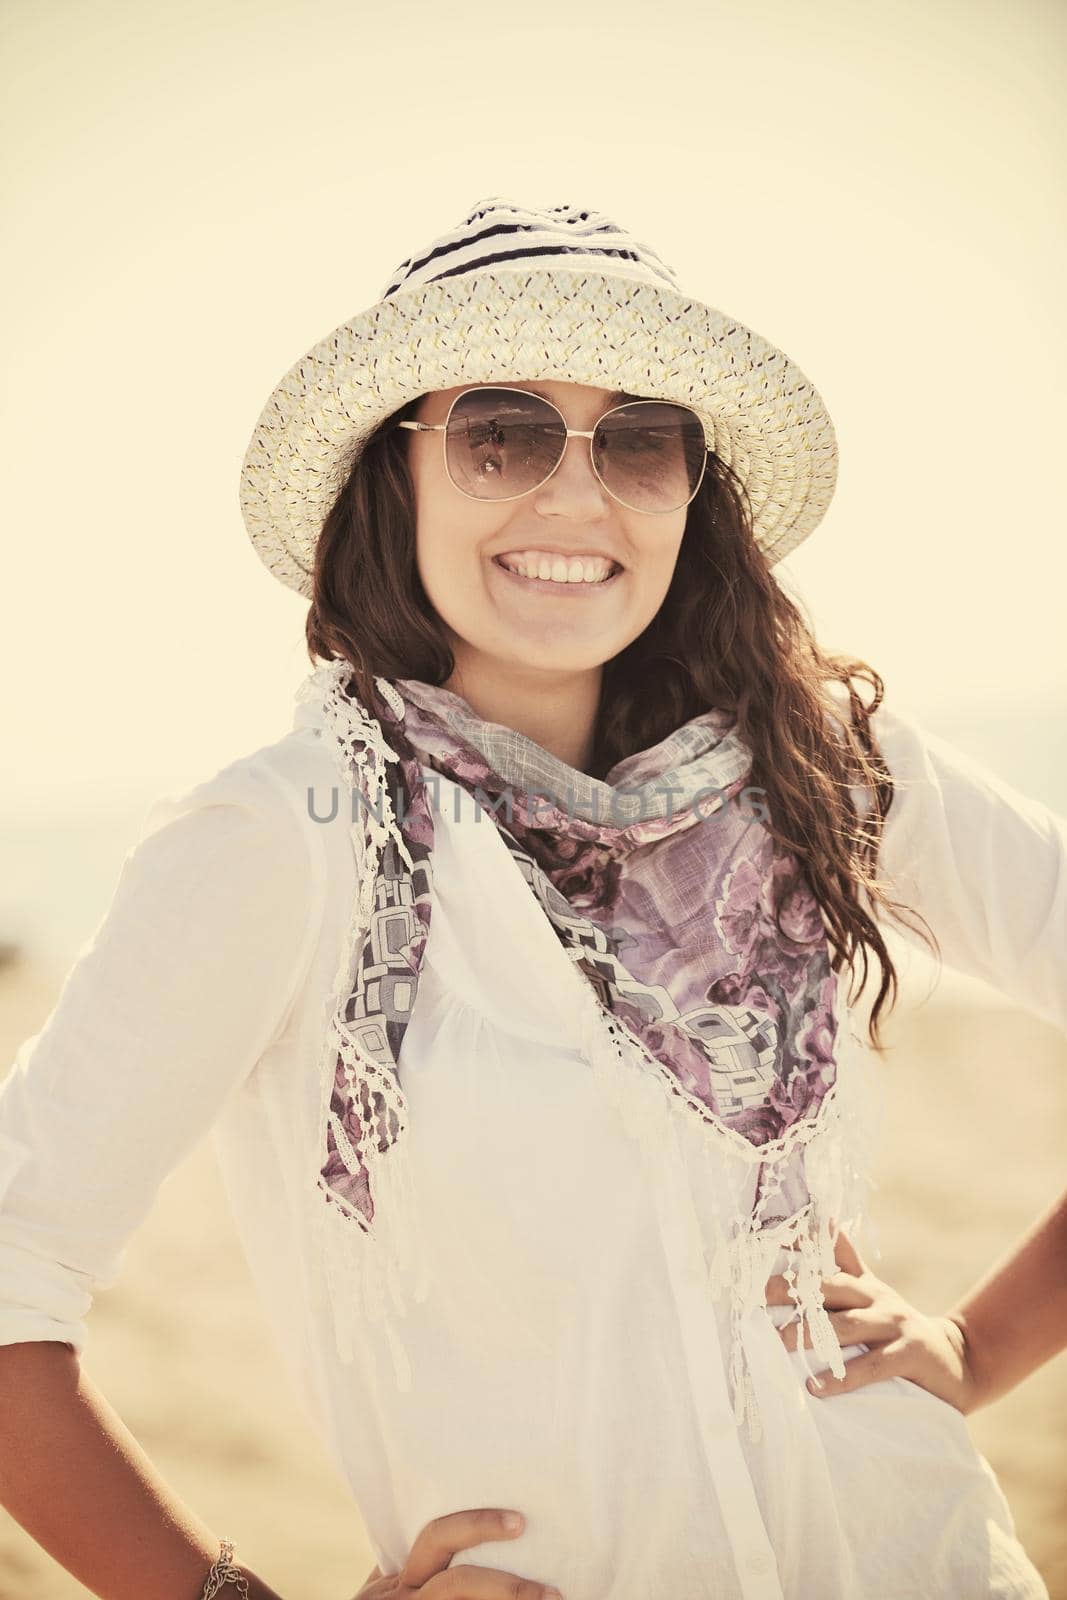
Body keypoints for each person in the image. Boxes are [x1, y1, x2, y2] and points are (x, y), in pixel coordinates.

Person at [0, 196, 1064, 1600]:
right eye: (501, 435)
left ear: (695, 487)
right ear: (400, 478)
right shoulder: (281, 839)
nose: (576, 496)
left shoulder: (829, 765)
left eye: (639, 439)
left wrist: (982, 1350)